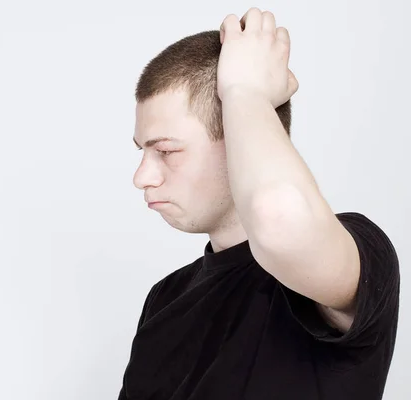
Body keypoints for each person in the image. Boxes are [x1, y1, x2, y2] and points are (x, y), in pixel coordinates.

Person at [118, 8, 400, 400]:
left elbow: (278, 217)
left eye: (165, 150)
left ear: (238, 134)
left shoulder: (357, 252)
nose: (141, 177)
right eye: (142, 152)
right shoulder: (165, 298)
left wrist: (244, 92)